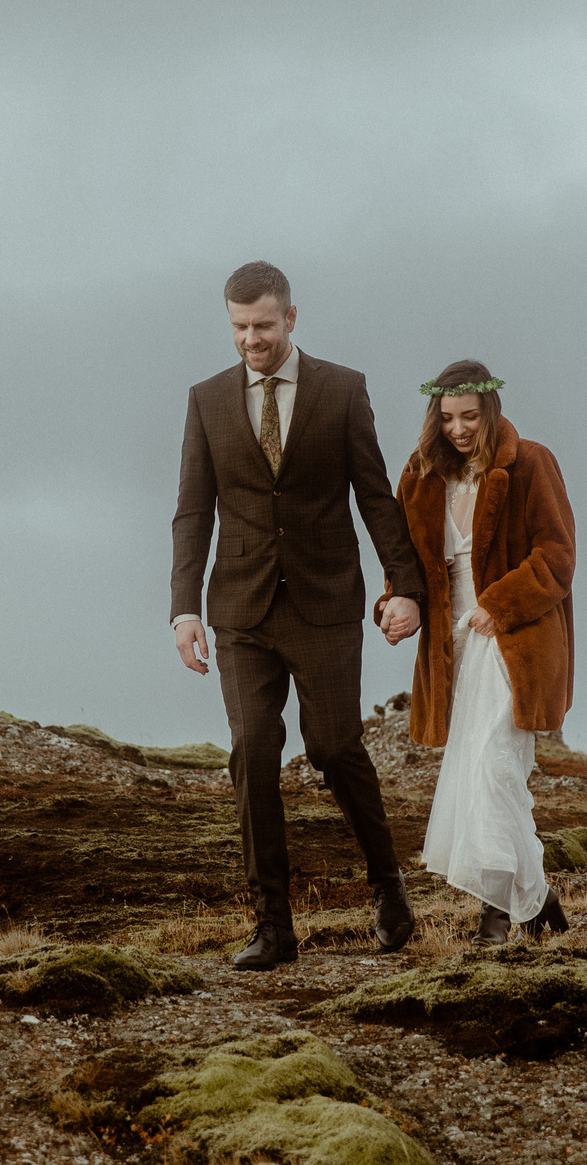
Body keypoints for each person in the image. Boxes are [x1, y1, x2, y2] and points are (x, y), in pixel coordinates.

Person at [170, 262, 429, 971]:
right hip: (241, 608)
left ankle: (388, 885)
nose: (251, 340)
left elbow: (376, 497)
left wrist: (405, 586)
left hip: (324, 603)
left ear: (291, 317)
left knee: (333, 745)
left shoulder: (342, 390)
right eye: (239, 328)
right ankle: (273, 925)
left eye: (263, 325)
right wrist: (184, 609)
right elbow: (193, 511)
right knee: (252, 750)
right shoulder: (206, 400)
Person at [381, 360, 576, 943]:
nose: (459, 429)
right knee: (472, 770)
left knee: (496, 765)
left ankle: (497, 910)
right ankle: (538, 904)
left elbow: (557, 557)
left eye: (469, 416)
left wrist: (500, 603)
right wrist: (395, 604)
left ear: (489, 410)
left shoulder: (531, 463)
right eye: (446, 418)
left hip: (514, 637)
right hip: (453, 644)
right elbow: (406, 565)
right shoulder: (418, 477)